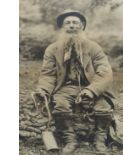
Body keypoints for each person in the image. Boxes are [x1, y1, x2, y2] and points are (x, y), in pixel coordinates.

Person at [35, 9, 114, 154]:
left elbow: (105, 71)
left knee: (103, 108)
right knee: (61, 105)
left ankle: (100, 139)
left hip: (91, 85)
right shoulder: (52, 49)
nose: (72, 26)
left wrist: (91, 90)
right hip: (66, 88)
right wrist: (43, 89)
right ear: (62, 27)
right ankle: (70, 139)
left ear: (82, 26)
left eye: (75, 23)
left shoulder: (94, 47)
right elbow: (48, 74)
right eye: (68, 23)